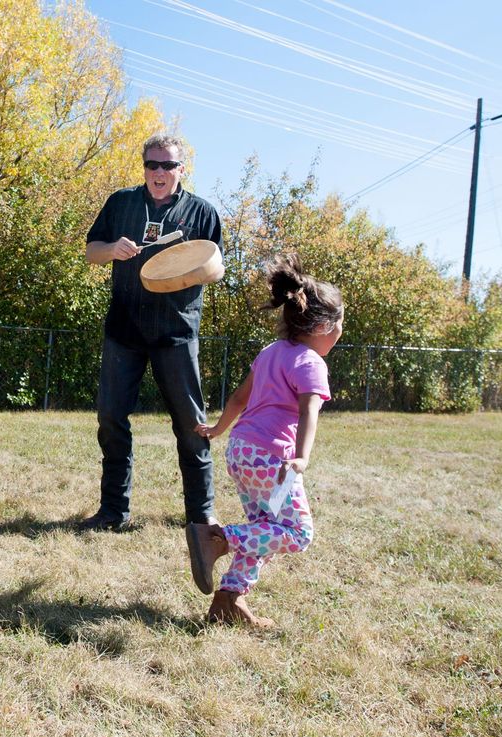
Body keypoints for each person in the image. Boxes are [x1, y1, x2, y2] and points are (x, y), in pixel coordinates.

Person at [184, 253, 343, 627]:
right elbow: (308, 412)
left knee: (266, 531)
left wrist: (218, 429)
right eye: (340, 326)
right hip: (274, 460)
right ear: (323, 327)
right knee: (297, 534)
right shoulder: (311, 363)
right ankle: (217, 539)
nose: (340, 335)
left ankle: (227, 602)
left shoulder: (271, 352)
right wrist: (301, 458)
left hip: (242, 452)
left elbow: (240, 397)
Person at [81, 133, 223, 532]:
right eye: (152, 164)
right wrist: (112, 250)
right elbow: (91, 251)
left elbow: (216, 265)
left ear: (181, 169)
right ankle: (113, 512)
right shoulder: (121, 202)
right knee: (111, 419)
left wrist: (193, 269)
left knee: (191, 425)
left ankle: (201, 514)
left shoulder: (201, 212)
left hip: (176, 333)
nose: (158, 172)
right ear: (144, 167)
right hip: (123, 330)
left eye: (167, 165)